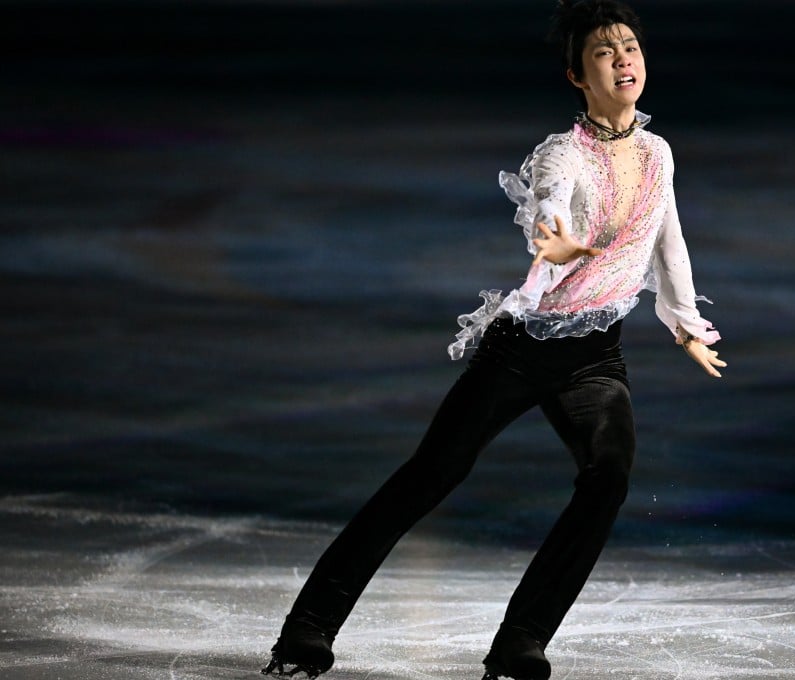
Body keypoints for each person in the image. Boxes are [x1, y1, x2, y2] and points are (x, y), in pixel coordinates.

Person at [262, 1, 725, 678]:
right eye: (604, 51)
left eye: (630, 46)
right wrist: (559, 240)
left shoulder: (658, 151)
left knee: (608, 477)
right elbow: (548, 212)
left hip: (597, 355)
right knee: (430, 477)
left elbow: (668, 240)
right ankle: (306, 629)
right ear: (576, 75)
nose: (624, 58)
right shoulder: (562, 153)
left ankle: (521, 642)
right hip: (524, 347)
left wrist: (685, 323)